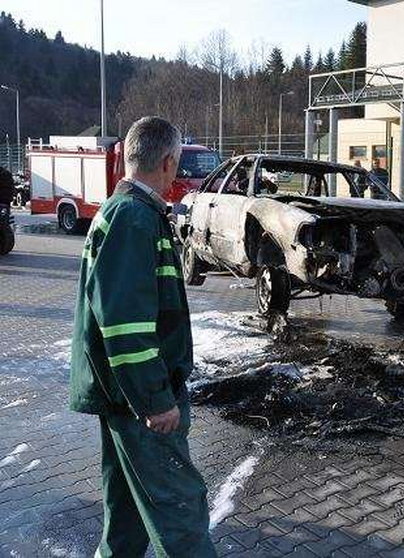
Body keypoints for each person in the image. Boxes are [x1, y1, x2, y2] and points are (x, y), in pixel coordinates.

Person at [69, 116, 216, 557]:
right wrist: (155, 398)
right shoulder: (134, 218)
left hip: (122, 397)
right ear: (169, 162)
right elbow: (125, 323)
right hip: (139, 402)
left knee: (127, 520)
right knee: (180, 512)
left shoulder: (126, 212)